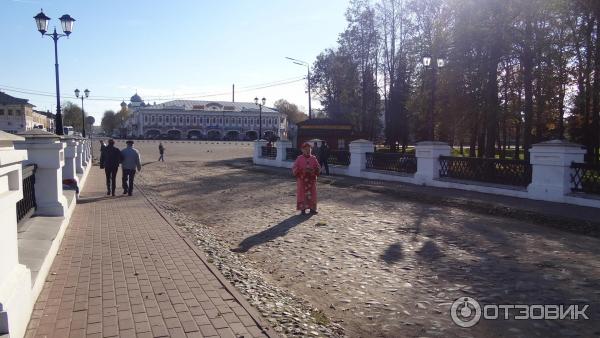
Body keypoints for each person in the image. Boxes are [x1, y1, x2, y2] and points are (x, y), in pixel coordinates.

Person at [292, 142, 321, 215]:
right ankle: (303, 209)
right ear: (302, 150)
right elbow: (294, 168)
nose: (308, 151)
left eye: (309, 149)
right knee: (302, 194)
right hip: (302, 180)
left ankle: (312, 209)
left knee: (312, 194)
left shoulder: (313, 158)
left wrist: (313, 170)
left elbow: (318, 168)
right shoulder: (299, 158)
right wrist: (302, 171)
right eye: (306, 149)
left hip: (311, 180)